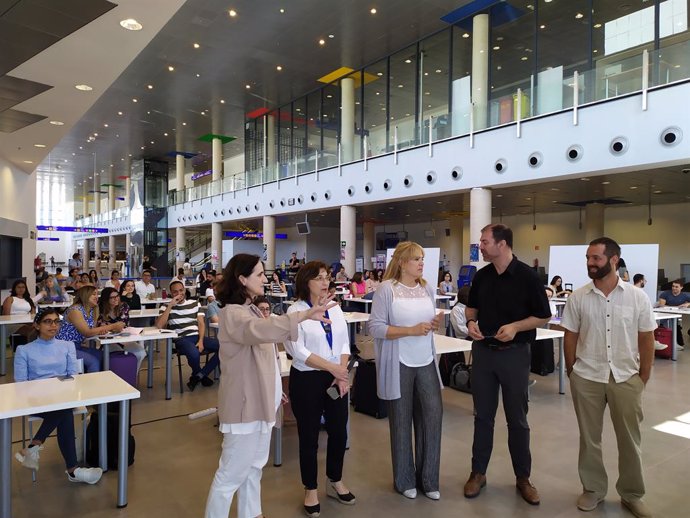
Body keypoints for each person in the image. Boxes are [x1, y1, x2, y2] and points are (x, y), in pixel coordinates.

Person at [204, 253, 335, 518]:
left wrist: (277, 390)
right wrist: (306, 314)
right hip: (244, 408)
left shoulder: (251, 310)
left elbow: (265, 356)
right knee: (230, 475)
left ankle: (251, 514)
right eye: (259, 275)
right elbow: (262, 331)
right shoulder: (233, 314)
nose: (265, 279)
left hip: (262, 404)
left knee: (253, 469)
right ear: (242, 279)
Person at [561, 237, 655, 518]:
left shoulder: (637, 297)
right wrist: (572, 372)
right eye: (588, 258)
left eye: (596, 258)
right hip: (587, 376)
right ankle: (593, 489)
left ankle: (632, 494)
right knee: (590, 438)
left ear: (614, 260)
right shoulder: (578, 297)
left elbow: (646, 338)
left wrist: (643, 377)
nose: (590, 263)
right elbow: (570, 336)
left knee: (630, 440)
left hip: (626, 377)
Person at [464, 224, 551, 505]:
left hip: (515, 354)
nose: (480, 245)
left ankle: (523, 478)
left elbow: (543, 316)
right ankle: (478, 473)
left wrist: (515, 327)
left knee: (517, 418)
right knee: (482, 417)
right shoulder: (482, 276)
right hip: (484, 353)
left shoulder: (528, 276)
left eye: (485, 241)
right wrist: (470, 323)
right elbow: (471, 307)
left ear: (502, 244)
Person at [369, 241, 444, 501]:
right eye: (416, 259)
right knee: (401, 422)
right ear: (401, 262)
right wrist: (410, 331)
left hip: (425, 360)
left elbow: (427, 323)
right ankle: (405, 479)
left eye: (422, 259)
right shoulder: (386, 290)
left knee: (432, 418)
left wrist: (433, 324)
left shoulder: (427, 289)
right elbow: (376, 327)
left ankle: (429, 479)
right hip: (399, 361)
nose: (421, 263)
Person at [285, 261, 354, 516]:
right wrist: (333, 368)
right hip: (307, 380)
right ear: (306, 282)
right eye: (319, 278)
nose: (325, 282)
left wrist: (341, 372)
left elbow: (345, 343)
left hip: (336, 378)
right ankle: (310, 488)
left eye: (327, 277)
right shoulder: (296, 311)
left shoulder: (335, 309)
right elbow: (297, 351)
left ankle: (335, 479)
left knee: (339, 432)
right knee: (309, 437)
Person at [13, 308, 104, 484]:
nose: (53, 325)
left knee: (64, 408)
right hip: (36, 399)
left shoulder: (67, 346)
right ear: (37, 325)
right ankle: (72, 470)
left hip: (63, 396)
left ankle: (35, 447)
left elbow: (72, 375)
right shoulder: (24, 350)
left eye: (56, 321)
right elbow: (21, 384)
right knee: (65, 411)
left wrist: (59, 388)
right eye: (48, 321)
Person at [155, 280, 219, 391]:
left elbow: (201, 323)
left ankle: (199, 375)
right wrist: (170, 305)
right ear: (171, 293)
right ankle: (200, 375)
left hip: (197, 336)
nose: (179, 293)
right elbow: (160, 326)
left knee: (225, 347)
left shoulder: (195, 303)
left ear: (185, 290)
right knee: (194, 353)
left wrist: (201, 340)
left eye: (181, 290)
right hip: (181, 339)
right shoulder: (165, 306)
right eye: (175, 292)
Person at [56, 286, 125, 373]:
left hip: (77, 346)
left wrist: (101, 330)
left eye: (97, 294)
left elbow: (92, 329)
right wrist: (112, 326)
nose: (97, 297)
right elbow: (87, 332)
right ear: (85, 296)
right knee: (93, 361)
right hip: (64, 348)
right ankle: (92, 385)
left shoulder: (91, 310)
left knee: (102, 355)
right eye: (93, 294)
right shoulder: (75, 310)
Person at [98, 287, 146, 371]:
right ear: (106, 299)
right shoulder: (100, 309)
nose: (116, 299)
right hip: (109, 341)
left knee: (140, 353)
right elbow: (99, 325)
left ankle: (132, 376)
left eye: (117, 296)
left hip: (125, 338)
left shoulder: (124, 306)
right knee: (119, 355)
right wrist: (113, 327)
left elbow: (122, 325)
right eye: (112, 297)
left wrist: (108, 326)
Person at [657, 278, 690, 348]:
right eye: (673, 286)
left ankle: (675, 343)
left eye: (676, 287)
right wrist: (676, 308)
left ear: (681, 287)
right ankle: (671, 343)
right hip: (664, 316)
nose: (674, 288)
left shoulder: (684, 296)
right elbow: (661, 305)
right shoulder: (665, 294)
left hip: (676, 317)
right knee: (672, 325)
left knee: (676, 326)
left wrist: (688, 304)